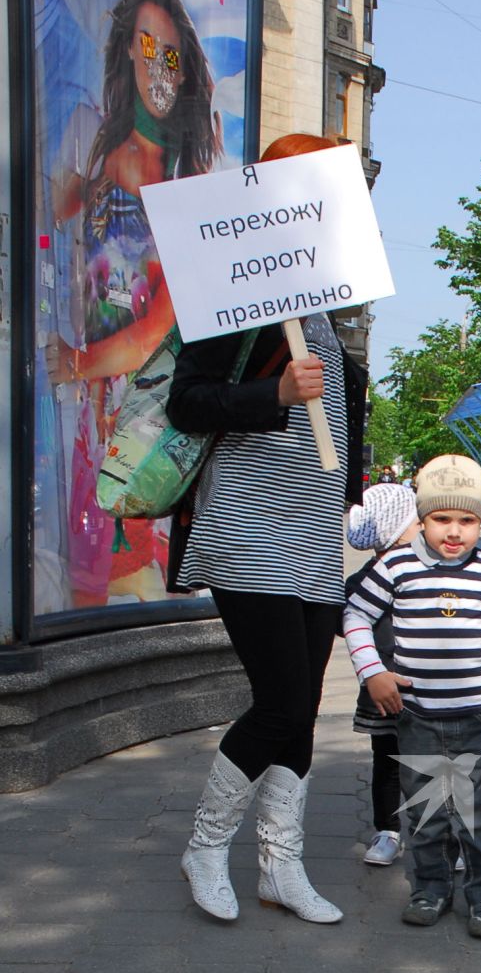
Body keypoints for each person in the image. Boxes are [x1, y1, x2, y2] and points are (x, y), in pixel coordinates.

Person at [167, 133, 368, 927]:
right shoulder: (234, 298)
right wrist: (273, 392)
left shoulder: (323, 305)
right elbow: (189, 400)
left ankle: (281, 865)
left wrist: (353, 500)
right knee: (280, 701)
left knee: (305, 702)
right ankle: (205, 845)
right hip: (249, 525)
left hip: (314, 535)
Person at [47, 0, 222, 606]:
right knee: (82, 589)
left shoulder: (189, 183)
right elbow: (45, 215)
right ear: (127, 48)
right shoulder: (92, 146)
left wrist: (74, 363)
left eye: (171, 55)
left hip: (147, 416)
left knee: (131, 586)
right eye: (147, 48)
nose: (159, 68)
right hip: (87, 412)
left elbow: (159, 329)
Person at [342, 453, 481, 940]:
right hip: (415, 714)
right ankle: (430, 887)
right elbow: (356, 616)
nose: (454, 531)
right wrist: (372, 672)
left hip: (476, 715)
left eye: (467, 520)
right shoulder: (397, 565)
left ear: (480, 523)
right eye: (442, 519)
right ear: (421, 519)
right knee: (424, 809)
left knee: (476, 811)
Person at [345, 482, 423, 866]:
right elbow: (347, 622)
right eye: (417, 521)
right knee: (388, 761)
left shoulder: (432, 569)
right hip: (384, 690)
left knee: (439, 762)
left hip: (431, 690)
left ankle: (444, 834)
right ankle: (387, 830)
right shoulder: (364, 581)